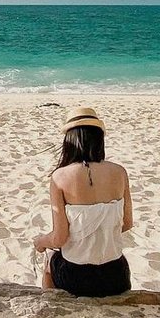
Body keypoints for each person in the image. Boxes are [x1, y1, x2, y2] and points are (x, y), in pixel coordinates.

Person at [32, 106, 133, 296]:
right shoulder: (119, 172)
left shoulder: (60, 177)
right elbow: (126, 224)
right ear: (99, 139)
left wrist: (40, 242)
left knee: (50, 264)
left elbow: (59, 238)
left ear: (69, 141)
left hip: (77, 276)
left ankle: (52, 310)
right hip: (115, 275)